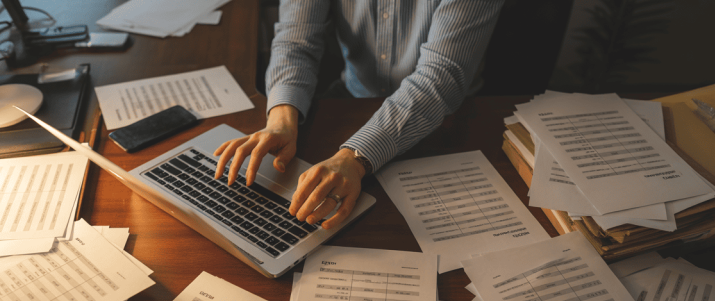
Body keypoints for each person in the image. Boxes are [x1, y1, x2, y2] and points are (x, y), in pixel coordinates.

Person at [214, 0, 506, 229]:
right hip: (350, 100)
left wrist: (355, 157)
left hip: (446, 120)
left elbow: (440, 77)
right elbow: (295, 41)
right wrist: (281, 120)